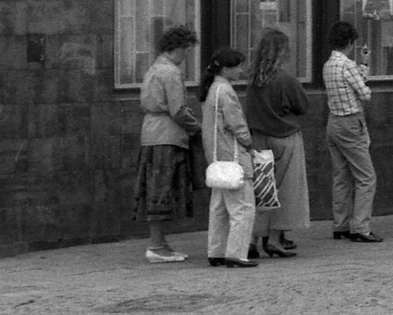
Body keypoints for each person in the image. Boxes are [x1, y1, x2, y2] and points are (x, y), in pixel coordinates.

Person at [133, 25, 200, 263]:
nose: (187, 56)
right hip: (167, 135)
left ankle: (160, 243)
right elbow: (178, 110)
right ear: (179, 48)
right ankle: (156, 245)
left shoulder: (154, 68)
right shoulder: (171, 72)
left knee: (155, 189)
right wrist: (197, 126)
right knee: (162, 190)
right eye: (187, 50)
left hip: (151, 132)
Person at [244, 27, 310, 257]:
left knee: (260, 188)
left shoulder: (254, 80)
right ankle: (274, 239)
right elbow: (302, 105)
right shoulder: (285, 79)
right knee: (286, 190)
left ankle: (251, 239)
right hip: (286, 136)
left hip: (259, 138)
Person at [322, 21, 381, 243]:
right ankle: (361, 227)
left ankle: (340, 224)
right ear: (349, 42)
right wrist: (362, 77)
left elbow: (354, 82)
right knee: (366, 177)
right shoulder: (346, 65)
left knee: (341, 176)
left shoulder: (328, 65)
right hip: (351, 122)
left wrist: (363, 64)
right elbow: (365, 93)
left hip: (334, 121)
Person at [201, 47, 258, 268]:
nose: (240, 71)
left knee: (219, 207)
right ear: (226, 69)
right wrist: (249, 145)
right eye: (237, 67)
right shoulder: (226, 91)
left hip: (216, 157)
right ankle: (236, 253)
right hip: (233, 156)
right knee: (243, 206)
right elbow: (237, 125)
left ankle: (216, 250)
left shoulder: (212, 89)